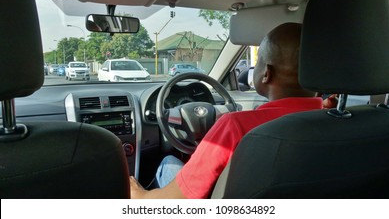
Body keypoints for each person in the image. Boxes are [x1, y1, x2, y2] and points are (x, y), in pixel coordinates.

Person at [130, 22, 327, 199]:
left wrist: (141, 196)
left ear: (266, 73)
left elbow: (178, 199)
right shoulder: (339, 120)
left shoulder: (235, 125)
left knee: (167, 164)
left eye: (257, 63)